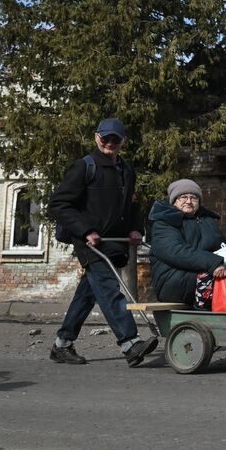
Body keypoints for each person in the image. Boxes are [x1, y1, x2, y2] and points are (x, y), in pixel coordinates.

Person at [47, 117, 154, 366]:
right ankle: (130, 344)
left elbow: (132, 205)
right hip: (90, 242)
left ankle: (62, 344)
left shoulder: (126, 170)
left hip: (114, 242)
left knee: (87, 294)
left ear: (123, 141)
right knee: (108, 289)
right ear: (97, 137)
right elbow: (59, 204)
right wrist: (86, 230)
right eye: (105, 138)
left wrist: (136, 229)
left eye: (115, 139)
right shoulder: (85, 166)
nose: (110, 143)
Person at [147, 179, 225, 307]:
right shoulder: (164, 222)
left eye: (193, 198)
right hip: (172, 279)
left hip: (199, 272)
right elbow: (175, 251)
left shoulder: (207, 220)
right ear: (174, 201)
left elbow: (223, 245)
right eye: (183, 197)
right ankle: (204, 316)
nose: (189, 201)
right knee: (207, 277)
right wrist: (213, 262)